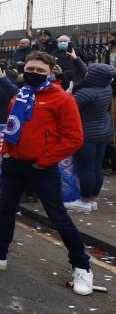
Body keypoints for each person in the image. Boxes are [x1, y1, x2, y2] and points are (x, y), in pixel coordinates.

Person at [0, 52, 93, 296]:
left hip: (42, 167)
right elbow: (11, 127)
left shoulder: (62, 99)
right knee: (5, 208)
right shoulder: (19, 96)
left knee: (57, 217)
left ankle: (83, 267)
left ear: (51, 72)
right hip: (15, 163)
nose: (33, 74)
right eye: (30, 69)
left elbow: (74, 138)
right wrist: (5, 153)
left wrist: (43, 161)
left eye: (40, 71)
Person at [64, 64, 116, 212]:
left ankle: (85, 201)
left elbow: (67, 108)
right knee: (96, 166)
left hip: (87, 133)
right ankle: (93, 199)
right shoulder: (107, 88)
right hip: (103, 131)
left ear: (94, 76)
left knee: (85, 168)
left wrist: (68, 94)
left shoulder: (86, 93)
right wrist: (76, 60)